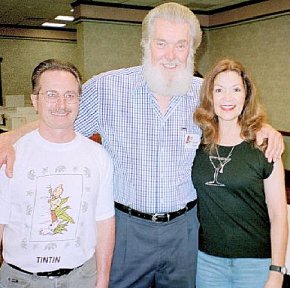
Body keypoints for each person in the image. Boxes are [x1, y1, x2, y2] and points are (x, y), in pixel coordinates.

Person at [0, 3, 285, 288]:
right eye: (161, 43)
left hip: (184, 231)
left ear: (192, 50)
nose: (171, 55)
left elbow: (236, 116)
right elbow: (58, 121)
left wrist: (264, 129)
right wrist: (9, 137)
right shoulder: (107, 89)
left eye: (181, 45)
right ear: (146, 44)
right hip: (126, 230)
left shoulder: (204, 96)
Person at [0, 59, 115, 288]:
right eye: (51, 94)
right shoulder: (12, 156)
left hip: (81, 278)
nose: (62, 104)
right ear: (35, 100)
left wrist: (102, 280)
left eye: (70, 95)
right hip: (20, 280)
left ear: (79, 101)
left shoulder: (98, 156)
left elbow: (104, 224)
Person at [192, 59, 288, 288]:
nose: (227, 98)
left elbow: (278, 215)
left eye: (236, 89)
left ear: (246, 96)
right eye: (219, 90)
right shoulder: (196, 143)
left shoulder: (264, 146)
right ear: (210, 96)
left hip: (255, 264)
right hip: (207, 262)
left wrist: (277, 271)